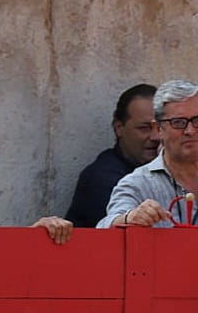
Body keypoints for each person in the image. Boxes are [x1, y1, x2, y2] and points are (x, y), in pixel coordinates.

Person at [97, 80, 198, 229]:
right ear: (158, 129)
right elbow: (105, 229)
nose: (190, 131)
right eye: (178, 123)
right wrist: (129, 218)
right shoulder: (137, 185)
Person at [64, 84, 162, 229]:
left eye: (160, 127)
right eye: (144, 128)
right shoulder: (103, 178)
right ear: (119, 128)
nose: (155, 137)